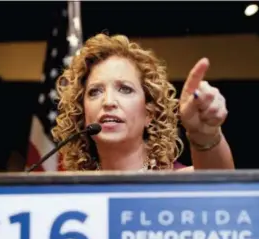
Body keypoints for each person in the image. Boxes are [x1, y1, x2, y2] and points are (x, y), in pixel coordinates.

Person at [51, 33, 234, 172]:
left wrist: (204, 134)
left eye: (125, 89)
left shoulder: (177, 182)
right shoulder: (69, 192)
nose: (108, 102)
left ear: (149, 113)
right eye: (95, 91)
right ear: (82, 113)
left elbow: (223, 192)